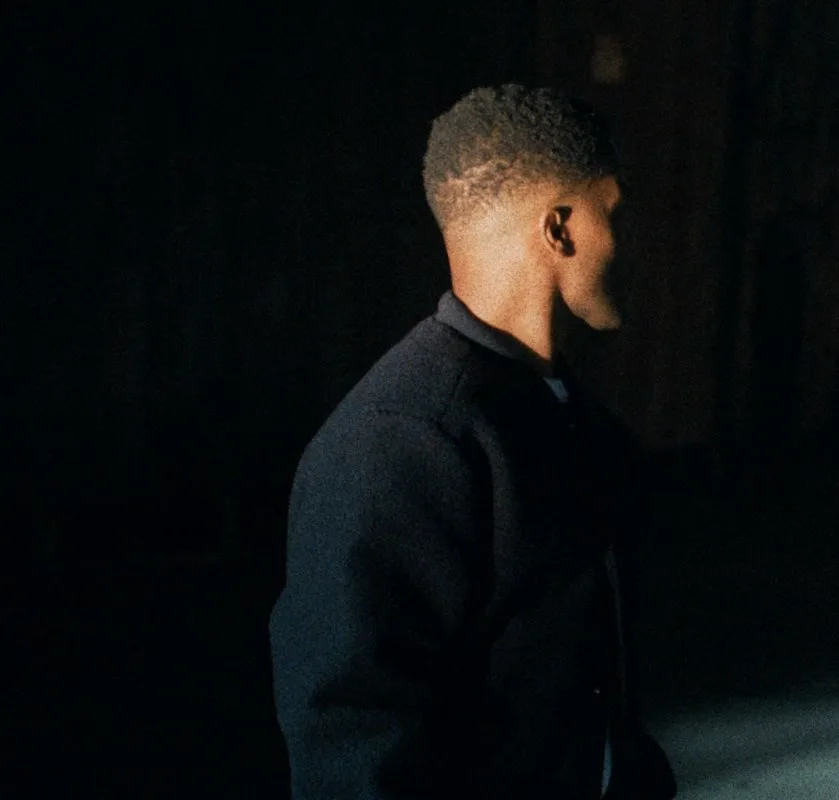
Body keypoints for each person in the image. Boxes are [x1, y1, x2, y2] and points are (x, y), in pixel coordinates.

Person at [270, 84, 676, 799]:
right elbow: (354, 736)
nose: (636, 245)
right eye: (617, 214)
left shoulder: (579, 423)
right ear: (559, 228)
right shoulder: (402, 439)